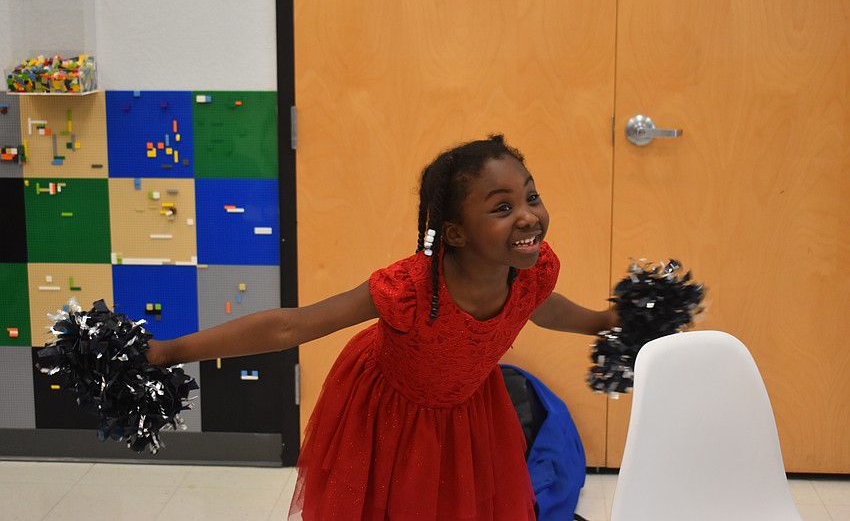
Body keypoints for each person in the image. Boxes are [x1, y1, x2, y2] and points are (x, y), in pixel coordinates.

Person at [146, 134, 618, 520]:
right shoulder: (409, 288)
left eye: (531, 196)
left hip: (470, 413)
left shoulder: (532, 271)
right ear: (455, 233)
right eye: (502, 208)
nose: (528, 215)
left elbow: (543, 307)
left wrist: (604, 321)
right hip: (383, 417)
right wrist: (168, 351)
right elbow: (291, 327)